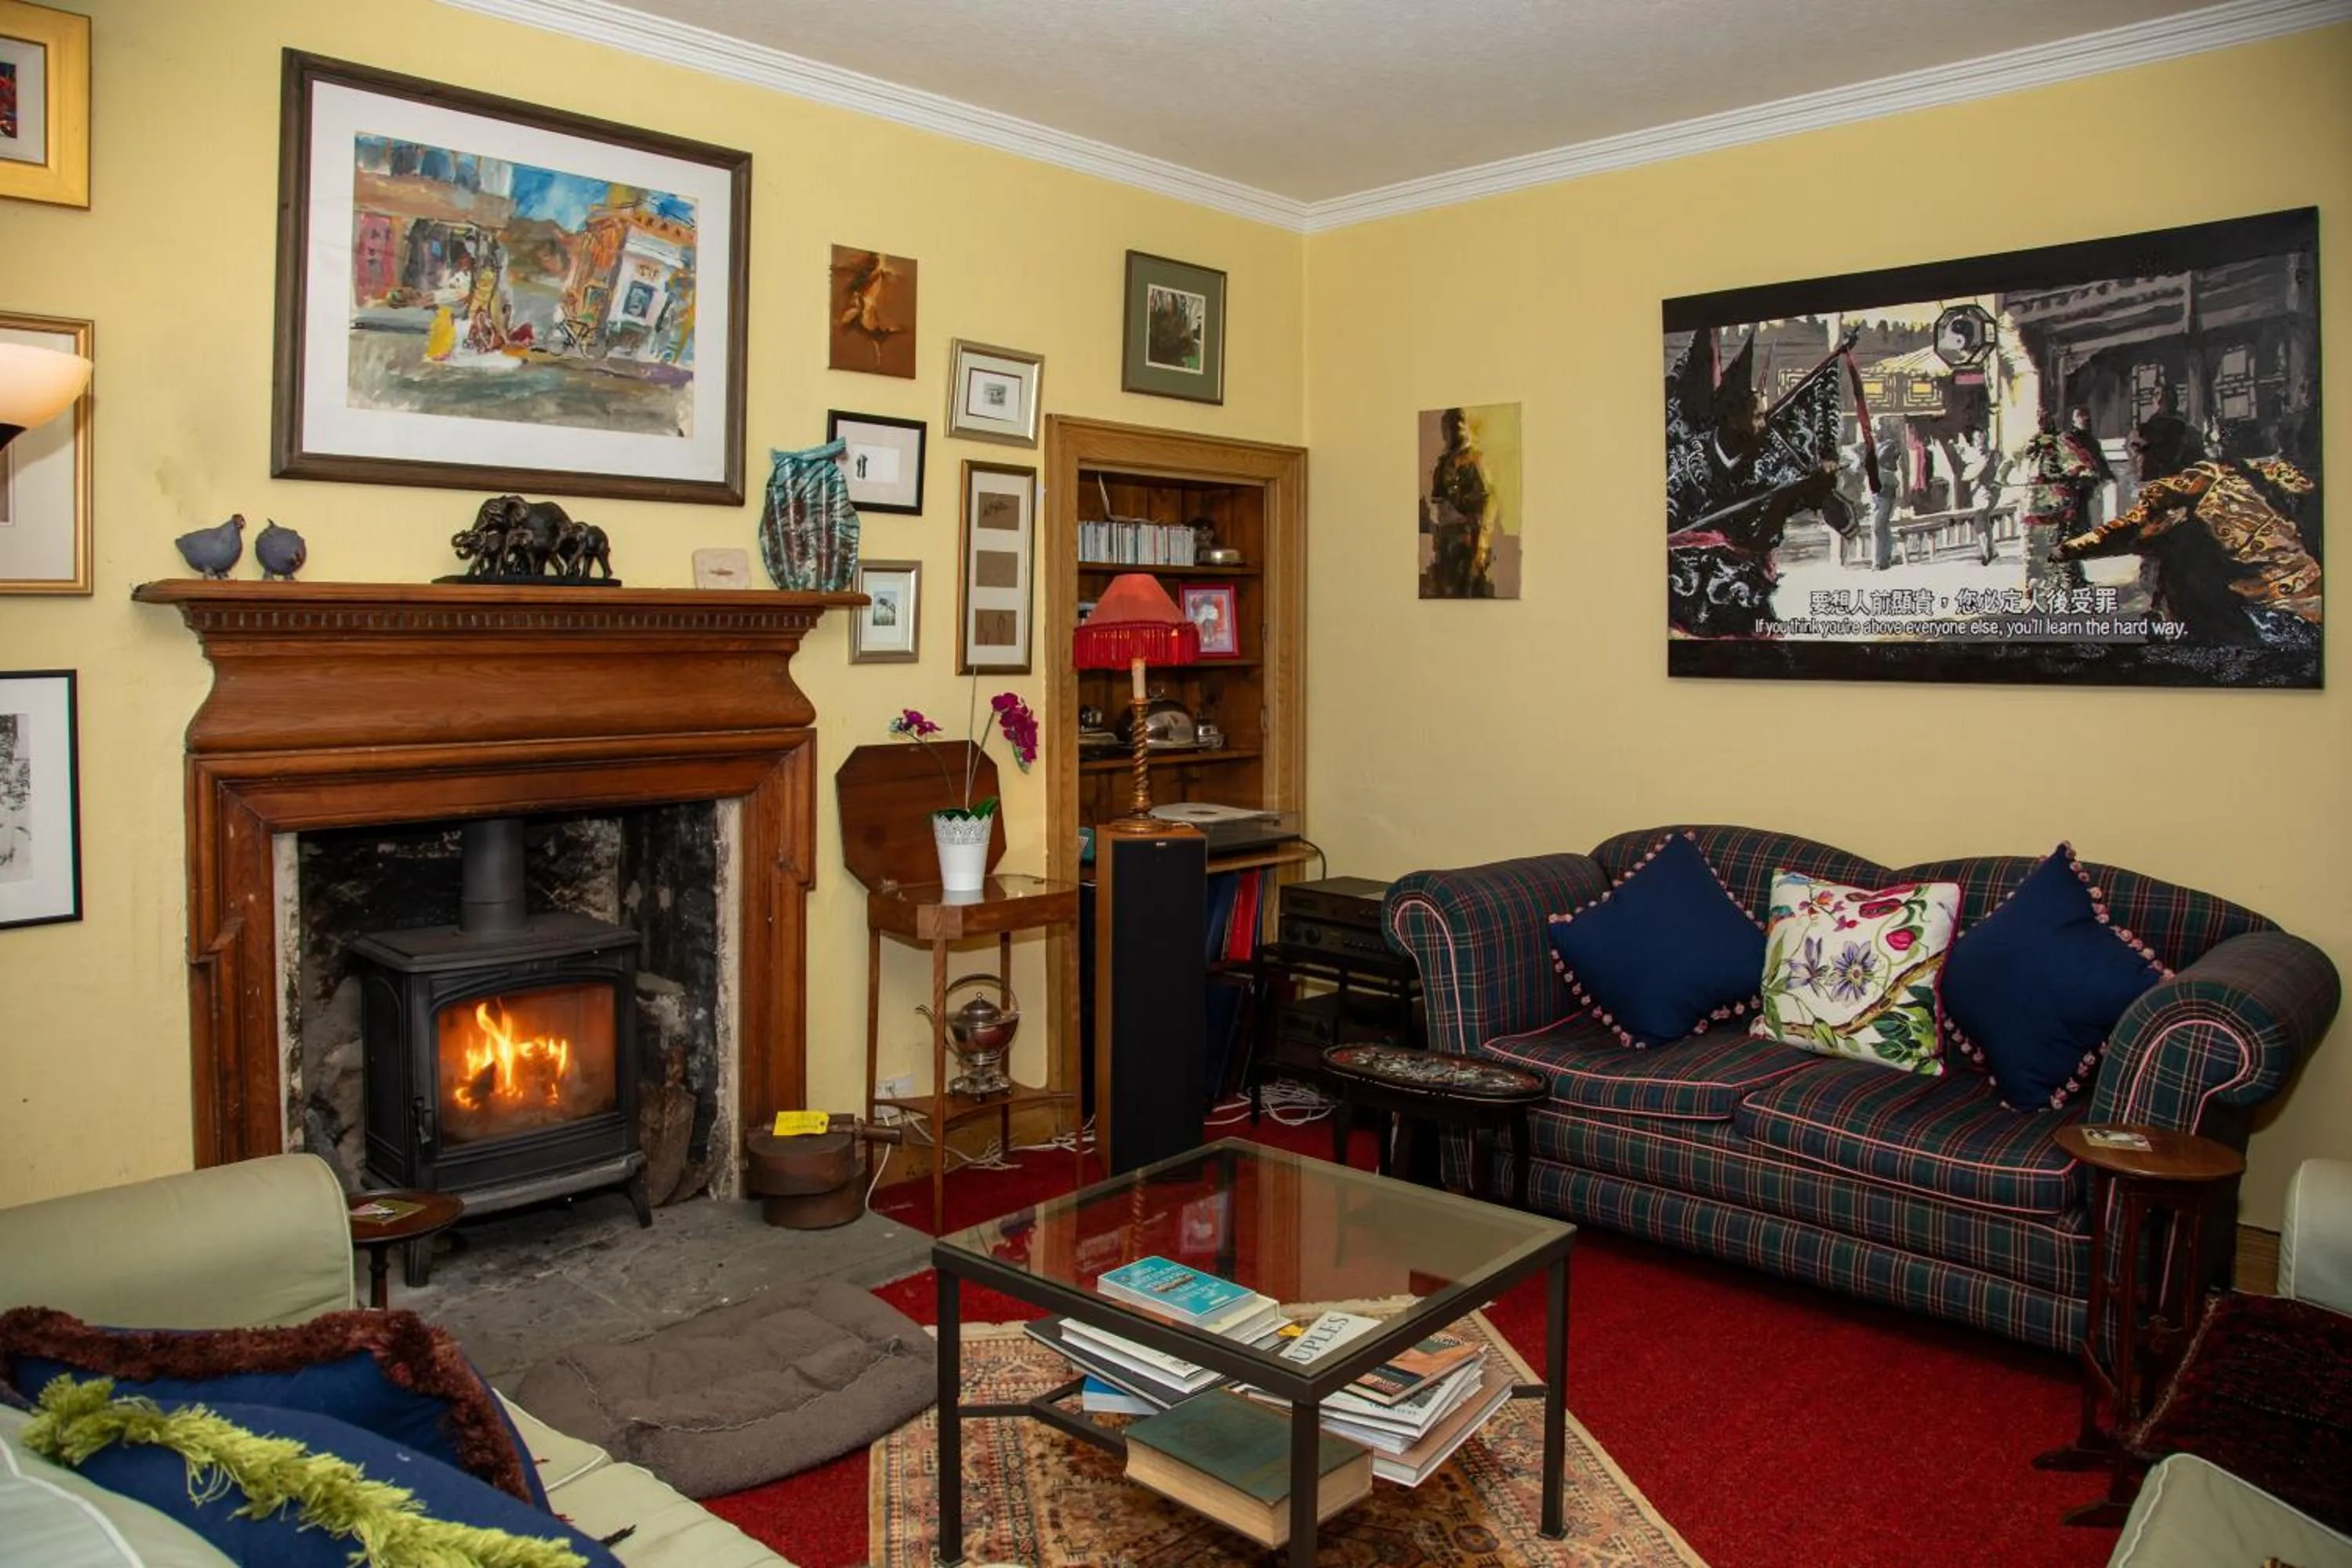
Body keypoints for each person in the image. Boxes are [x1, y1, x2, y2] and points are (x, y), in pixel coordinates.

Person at [2049, 413, 2320, 645]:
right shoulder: (2249, 470)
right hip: (2311, 593)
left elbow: (2128, 530)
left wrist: (2065, 550)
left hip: (2271, 614)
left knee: (2172, 546)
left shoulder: (2179, 491)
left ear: (2161, 453)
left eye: (2137, 449)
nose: (2131, 459)